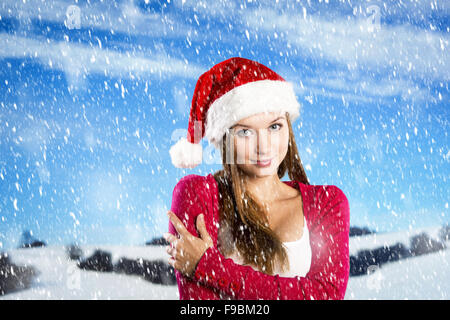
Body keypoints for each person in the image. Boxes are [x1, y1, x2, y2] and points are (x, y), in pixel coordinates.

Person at [164, 57, 350, 300]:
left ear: (288, 127)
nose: (264, 147)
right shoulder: (197, 194)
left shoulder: (327, 201)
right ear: (224, 140)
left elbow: (327, 295)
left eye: (274, 127)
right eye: (245, 131)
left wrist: (207, 266)